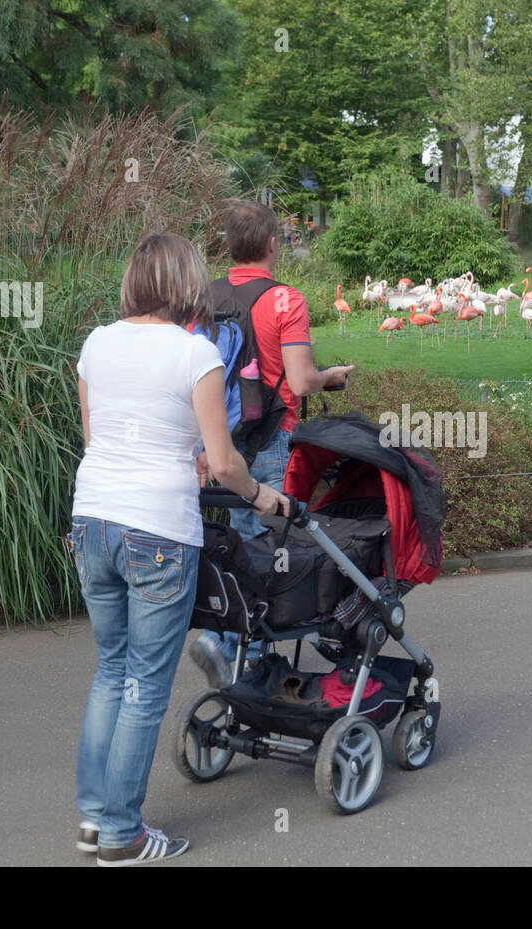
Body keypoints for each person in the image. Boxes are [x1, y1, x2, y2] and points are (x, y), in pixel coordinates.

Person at [68, 232, 289, 866]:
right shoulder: (195, 354)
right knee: (144, 684)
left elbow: (99, 437)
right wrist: (260, 497)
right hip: (157, 531)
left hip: (93, 521)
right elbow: (224, 463)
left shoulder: (96, 343)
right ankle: (123, 835)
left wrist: (183, 456)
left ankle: (95, 818)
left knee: (111, 672)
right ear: (187, 284)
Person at [189, 202, 353, 684]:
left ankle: (244, 652)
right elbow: (300, 383)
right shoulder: (286, 299)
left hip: (220, 442)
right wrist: (332, 377)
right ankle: (228, 645)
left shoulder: (203, 298)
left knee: (238, 544)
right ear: (271, 245)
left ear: (227, 245)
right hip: (270, 440)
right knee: (270, 549)